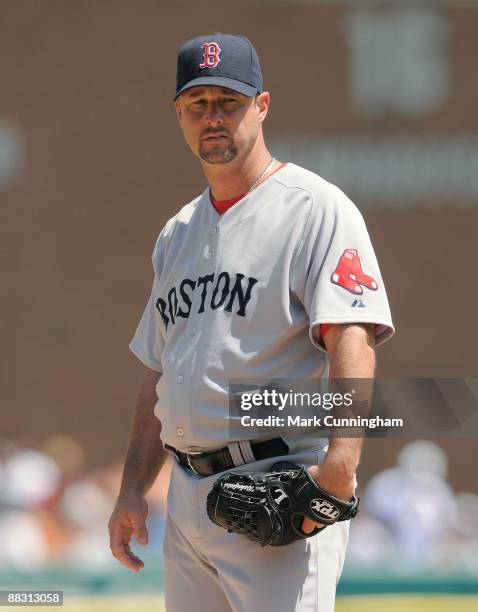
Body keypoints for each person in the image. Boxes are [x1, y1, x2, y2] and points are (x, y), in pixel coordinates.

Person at [108, 33, 395, 612]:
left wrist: (339, 470)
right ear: (180, 116)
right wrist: (134, 488)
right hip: (188, 499)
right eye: (198, 104)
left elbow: (352, 338)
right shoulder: (177, 233)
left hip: (278, 482)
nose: (212, 117)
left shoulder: (313, 207)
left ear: (261, 106)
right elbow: (159, 371)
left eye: (228, 102)